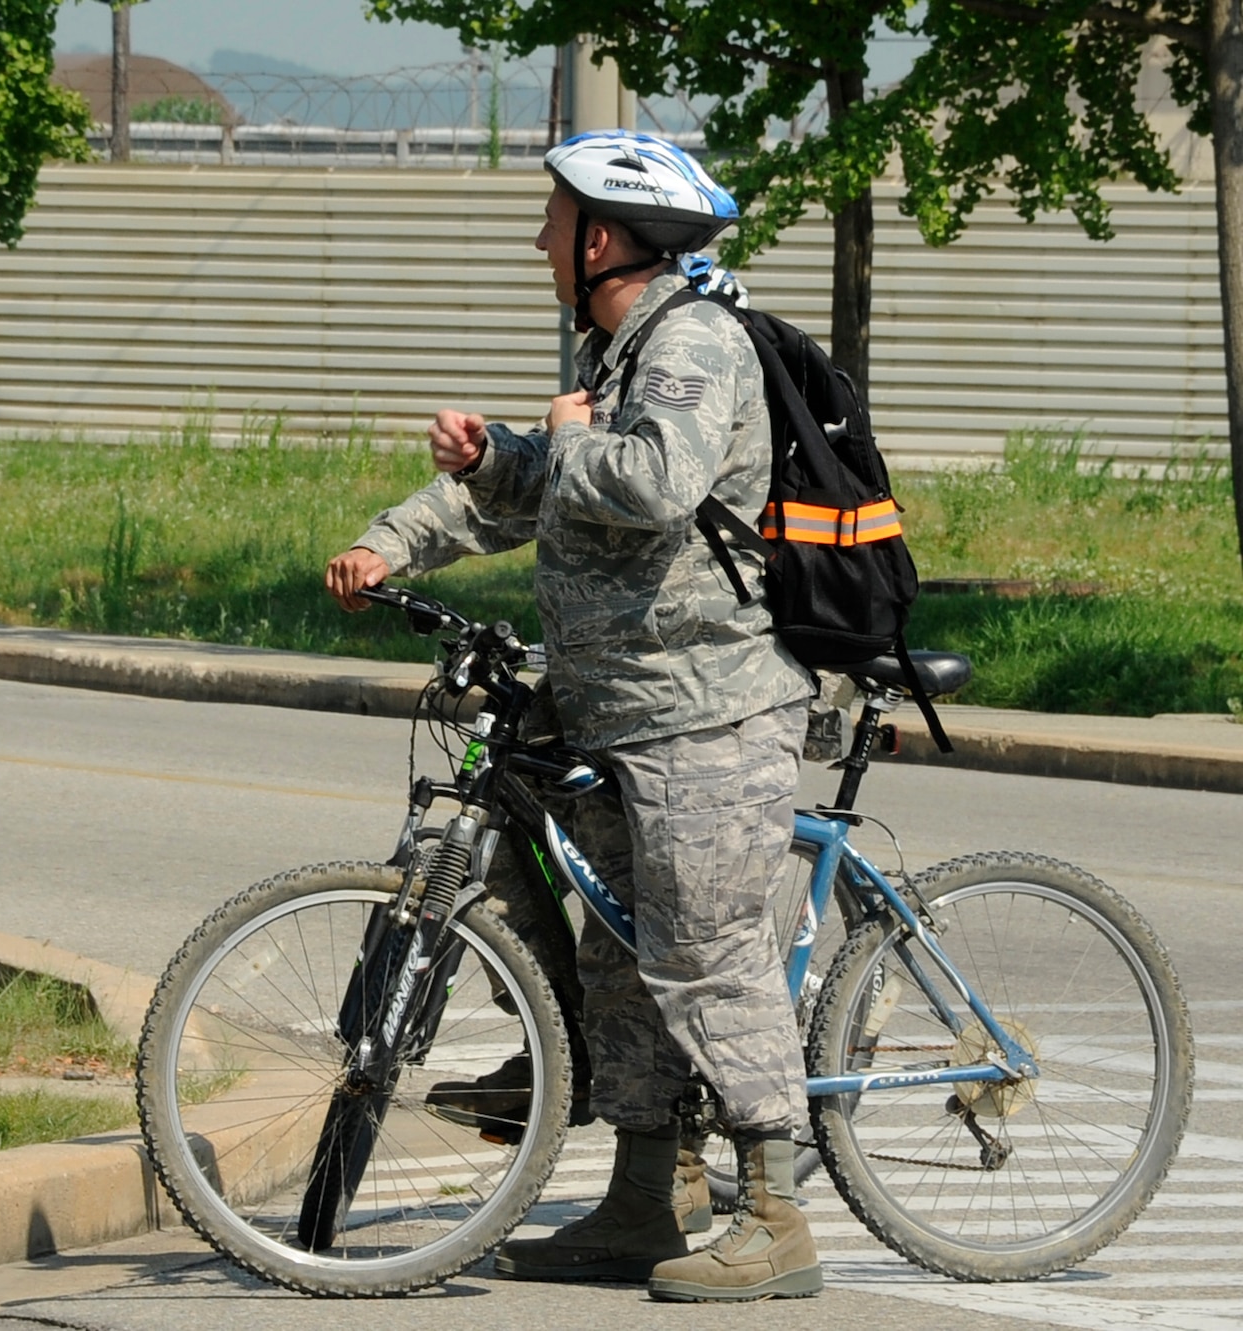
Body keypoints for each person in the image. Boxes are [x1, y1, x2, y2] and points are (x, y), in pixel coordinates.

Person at [324, 131, 822, 1302]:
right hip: (616, 711)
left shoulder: (692, 340)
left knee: (705, 957)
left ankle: (777, 1213)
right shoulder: (619, 348)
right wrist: (404, 524)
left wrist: (556, 438)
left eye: (552, 221)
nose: (537, 239)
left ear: (602, 236)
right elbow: (551, 487)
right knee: (619, 964)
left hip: (704, 713)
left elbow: (651, 484)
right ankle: (644, 1197)